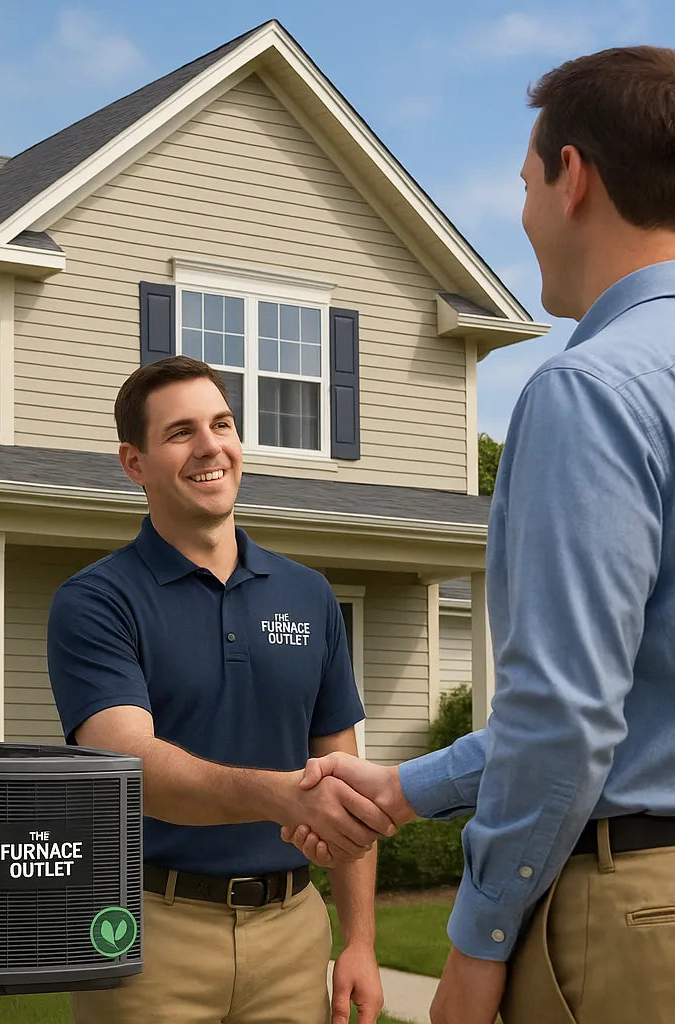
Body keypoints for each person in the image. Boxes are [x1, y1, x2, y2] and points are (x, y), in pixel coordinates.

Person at [284, 45, 675, 1024]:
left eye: (526, 181)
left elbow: (566, 717)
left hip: (635, 918)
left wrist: (478, 942)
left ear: (573, 175)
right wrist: (405, 786)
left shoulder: (593, 389)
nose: (526, 212)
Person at [45, 355, 390, 1024]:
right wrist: (279, 794)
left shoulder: (309, 595)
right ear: (134, 462)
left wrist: (361, 942)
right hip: (148, 935)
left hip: (293, 934)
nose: (211, 446)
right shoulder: (96, 602)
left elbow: (345, 783)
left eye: (222, 424)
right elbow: (132, 765)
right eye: (181, 432)